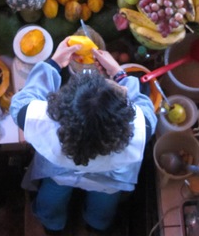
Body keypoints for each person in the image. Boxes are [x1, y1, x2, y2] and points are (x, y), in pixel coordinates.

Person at [9, 37, 157, 233]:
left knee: (52, 198)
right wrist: (119, 75)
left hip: (60, 172)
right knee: (104, 204)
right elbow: (146, 107)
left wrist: (53, 64)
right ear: (124, 117)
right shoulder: (139, 128)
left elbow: (19, 104)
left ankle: (53, 226)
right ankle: (96, 226)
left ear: (60, 105)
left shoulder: (43, 121)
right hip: (110, 177)